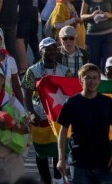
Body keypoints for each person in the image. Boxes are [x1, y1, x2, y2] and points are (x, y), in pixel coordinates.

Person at [57, 64, 112, 184]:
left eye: (95, 78)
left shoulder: (107, 102)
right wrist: (61, 159)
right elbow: (63, 132)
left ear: (99, 80)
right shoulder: (71, 103)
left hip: (104, 163)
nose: (92, 81)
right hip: (79, 163)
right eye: (88, 78)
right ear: (80, 80)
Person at [23, 38, 71, 184]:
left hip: (59, 117)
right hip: (40, 116)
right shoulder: (32, 71)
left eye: (54, 48)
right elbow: (27, 95)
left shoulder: (65, 71)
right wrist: (31, 113)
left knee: (59, 149)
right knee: (41, 151)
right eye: (48, 49)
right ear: (40, 51)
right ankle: (45, 180)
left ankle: (58, 179)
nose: (52, 51)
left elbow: (70, 94)